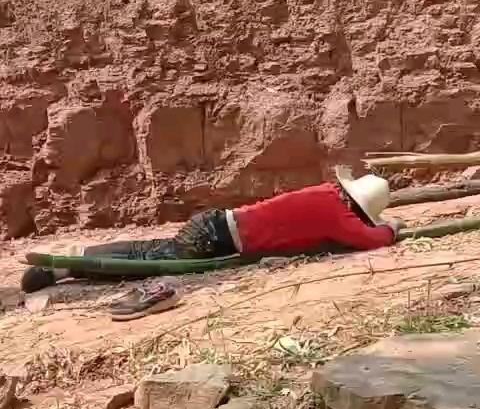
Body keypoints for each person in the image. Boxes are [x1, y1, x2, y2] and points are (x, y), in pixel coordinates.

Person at [21, 166, 403, 294]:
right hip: (216, 238)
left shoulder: (323, 193)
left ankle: (75, 259)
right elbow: (371, 239)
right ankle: (66, 268)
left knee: (150, 249)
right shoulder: (339, 216)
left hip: (216, 224)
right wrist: (391, 227)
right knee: (149, 261)